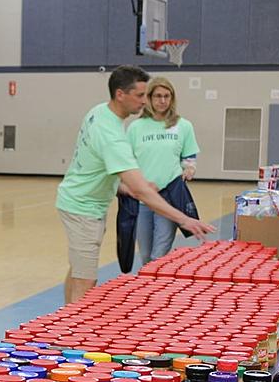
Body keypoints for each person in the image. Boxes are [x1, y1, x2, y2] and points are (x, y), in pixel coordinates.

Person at [56, 65, 214, 303]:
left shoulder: (100, 111)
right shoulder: (112, 134)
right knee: (85, 281)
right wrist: (184, 219)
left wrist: (127, 187)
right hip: (83, 209)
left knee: (77, 271)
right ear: (121, 94)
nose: (145, 101)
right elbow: (140, 190)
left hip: (80, 201)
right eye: (140, 95)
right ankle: (71, 337)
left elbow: (102, 168)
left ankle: (64, 319)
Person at [126, 76, 201, 263]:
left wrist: (189, 168)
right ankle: (149, 289)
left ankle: (156, 289)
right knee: (144, 255)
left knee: (158, 255)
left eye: (167, 96)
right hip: (142, 200)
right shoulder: (136, 128)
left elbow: (189, 156)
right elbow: (127, 161)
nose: (162, 101)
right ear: (149, 98)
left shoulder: (183, 125)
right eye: (158, 96)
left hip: (169, 198)